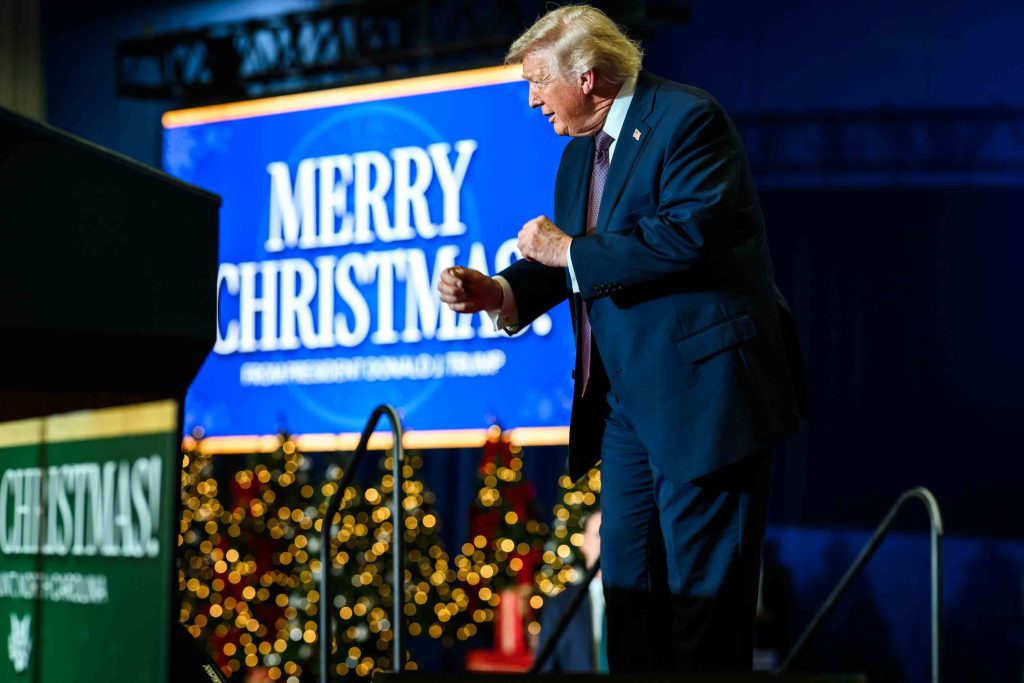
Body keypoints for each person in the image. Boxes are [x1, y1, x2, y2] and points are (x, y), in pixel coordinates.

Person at [438, 4, 806, 674]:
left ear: (588, 76)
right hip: (627, 411)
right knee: (630, 595)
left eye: (537, 82)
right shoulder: (579, 154)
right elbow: (579, 264)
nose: (530, 99)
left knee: (705, 607)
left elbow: (684, 239)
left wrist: (565, 246)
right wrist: (501, 291)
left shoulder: (688, 120)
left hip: (705, 399)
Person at [535, 511, 606, 674]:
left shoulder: (643, 600)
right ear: (584, 544)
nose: (605, 542)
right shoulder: (560, 605)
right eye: (598, 534)